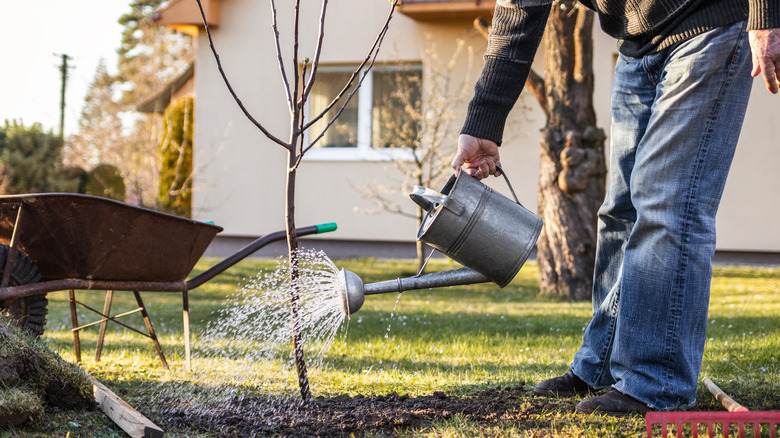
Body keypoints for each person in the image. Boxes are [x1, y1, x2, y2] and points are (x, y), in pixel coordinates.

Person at [451, 0, 780, 416]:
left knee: (667, 206)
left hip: (709, 23)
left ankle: (657, 384)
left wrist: (767, 15)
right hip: (636, 42)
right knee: (619, 214)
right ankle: (602, 365)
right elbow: (520, 10)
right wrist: (482, 122)